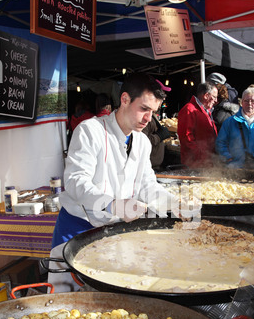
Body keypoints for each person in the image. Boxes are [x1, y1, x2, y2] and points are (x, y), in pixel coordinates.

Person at [52, 73, 181, 250]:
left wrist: (174, 203)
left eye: (153, 112)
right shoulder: (90, 130)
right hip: (78, 228)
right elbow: (76, 181)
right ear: (125, 99)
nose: (149, 118)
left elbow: (147, 185)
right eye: (144, 109)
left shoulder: (142, 141)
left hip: (114, 230)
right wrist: (112, 204)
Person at [216, 86, 254, 170]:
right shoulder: (230, 122)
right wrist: (227, 158)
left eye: (253, 101)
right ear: (242, 103)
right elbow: (220, 142)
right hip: (234, 168)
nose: (249, 104)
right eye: (246, 101)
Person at [177, 81, 218, 168]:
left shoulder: (207, 111)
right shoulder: (189, 109)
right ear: (206, 95)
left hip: (206, 161)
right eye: (214, 97)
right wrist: (202, 157)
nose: (216, 100)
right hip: (195, 163)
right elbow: (187, 139)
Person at [143, 80, 172, 171]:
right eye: (161, 95)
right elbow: (142, 140)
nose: (163, 99)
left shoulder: (153, 114)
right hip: (149, 167)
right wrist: (159, 136)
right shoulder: (145, 117)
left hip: (154, 166)